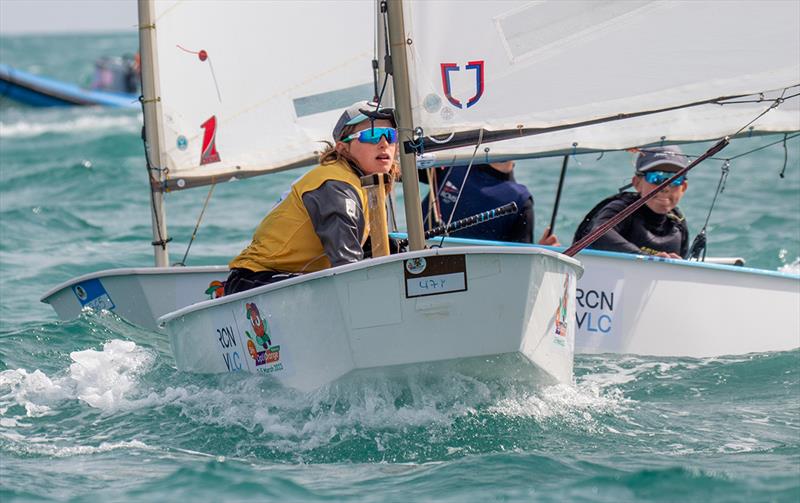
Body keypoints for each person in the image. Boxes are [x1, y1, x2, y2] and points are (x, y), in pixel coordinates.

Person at [223, 101, 398, 295]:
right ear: (342, 148)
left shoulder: (366, 183)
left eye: (390, 135)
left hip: (285, 277)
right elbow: (347, 265)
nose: (384, 143)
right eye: (371, 135)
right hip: (255, 280)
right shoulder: (336, 186)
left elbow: (362, 250)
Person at [573, 145, 690, 258]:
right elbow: (598, 234)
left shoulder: (678, 224)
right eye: (656, 178)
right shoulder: (621, 209)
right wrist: (645, 258)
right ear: (637, 183)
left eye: (675, 180)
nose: (665, 187)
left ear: (684, 187)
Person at [420, 161, 559, 245]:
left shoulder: (520, 200)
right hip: (418, 256)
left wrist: (539, 256)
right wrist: (396, 136)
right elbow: (402, 168)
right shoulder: (453, 162)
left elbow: (519, 265)